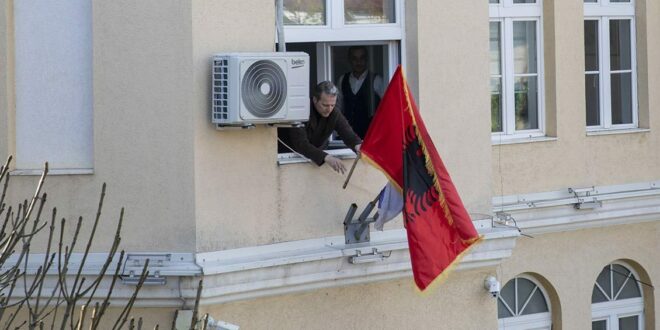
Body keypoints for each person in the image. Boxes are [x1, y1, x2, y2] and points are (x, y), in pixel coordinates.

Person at [279, 81, 362, 174]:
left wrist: (358, 146)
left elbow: (348, 134)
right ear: (315, 100)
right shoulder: (300, 111)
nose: (329, 109)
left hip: (313, 161)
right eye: (325, 105)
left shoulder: (334, 112)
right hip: (287, 158)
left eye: (332, 105)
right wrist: (326, 157)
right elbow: (301, 143)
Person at [337, 46, 385, 138]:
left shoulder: (376, 80)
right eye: (354, 58)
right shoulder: (342, 79)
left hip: (370, 136)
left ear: (367, 59)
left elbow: (386, 108)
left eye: (362, 58)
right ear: (349, 60)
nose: (358, 62)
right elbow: (338, 108)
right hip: (347, 136)